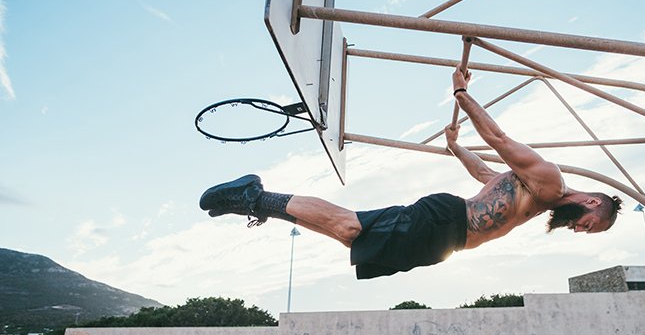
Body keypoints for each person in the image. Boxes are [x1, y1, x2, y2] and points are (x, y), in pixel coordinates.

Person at [200, 67, 622, 279]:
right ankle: (255, 197)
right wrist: (461, 93)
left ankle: (254, 201)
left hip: (442, 240)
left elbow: (485, 175)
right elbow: (498, 137)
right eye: (591, 225)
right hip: (442, 222)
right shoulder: (550, 181)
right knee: (349, 228)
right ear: (593, 202)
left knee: (349, 237)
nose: (581, 231)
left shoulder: (537, 194)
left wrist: (455, 146)